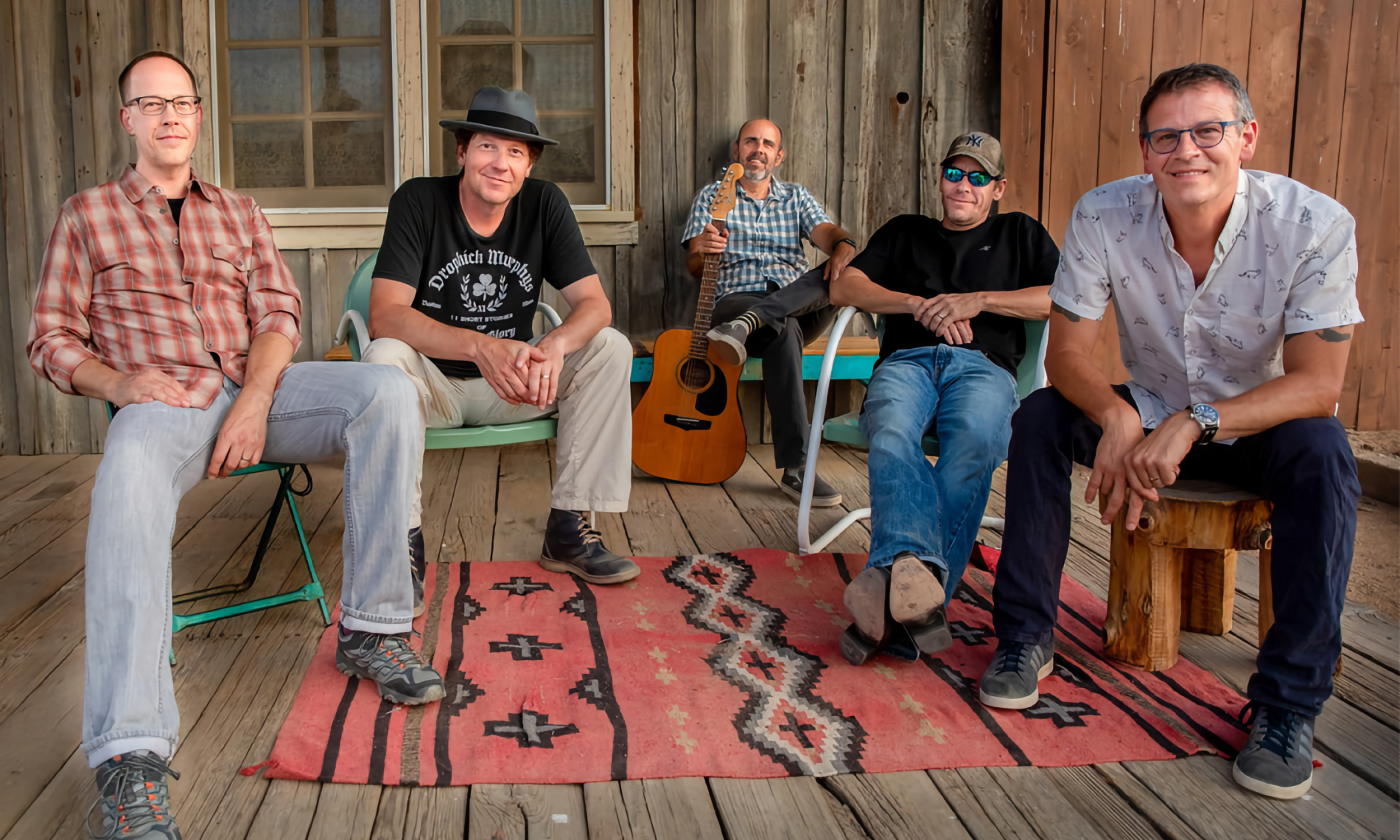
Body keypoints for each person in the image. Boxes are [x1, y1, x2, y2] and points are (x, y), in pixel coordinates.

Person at [26, 51, 444, 839]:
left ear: (198, 113)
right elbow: (50, 338)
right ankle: (130, 754)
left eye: (182, 101)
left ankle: (373, 631)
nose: (170, 115)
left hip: (263, 388)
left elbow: (280, 314)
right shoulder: (86, 216)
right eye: (151, 103)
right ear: (128, 119)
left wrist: (255, 400)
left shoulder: (239, 211)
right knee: (126, 472)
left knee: (387, 392)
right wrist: (117, 386)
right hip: (167, 398)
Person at [979, 64, 1362, 801]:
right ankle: (1026, 635)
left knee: (1326, 452)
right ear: (1145, 149)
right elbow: (1064, 357)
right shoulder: (1103, 214)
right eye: (1166, 135)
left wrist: (1199, 422)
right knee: (1039, 417)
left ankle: (1288, 704)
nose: (1187, 149)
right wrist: (1121, 416)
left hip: (1259, 423)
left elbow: (1318, 386)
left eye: (1208, 130)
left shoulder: (1313, 223)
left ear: (1245, 137)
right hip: (1151, 404)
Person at [362, 86, 638, 602]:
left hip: (513, 384)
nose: (501, 163)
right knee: (383, 359)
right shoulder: (419, 201)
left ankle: (569, 528)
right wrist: (478, 345)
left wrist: (553, 345)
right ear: (462, 151)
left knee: (609, 347)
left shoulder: (544, 205)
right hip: (431, 388)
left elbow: (595, 305)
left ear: (529, 165)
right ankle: (401, 547)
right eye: (489, 146)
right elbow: (384, 317)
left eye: (516, 152)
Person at [829, 132, 1056, 666]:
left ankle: (893, 591)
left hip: (983, 367)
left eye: (978, 177)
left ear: (997, 188)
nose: (963, 185)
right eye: (954, 173)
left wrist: (975, 301)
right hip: (907, 363)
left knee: (976, 440)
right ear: (940, 178)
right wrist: (918, 304)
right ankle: (919, 594)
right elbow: (844, 289)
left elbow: (1061, 296)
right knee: (889, 431)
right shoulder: (907, 231)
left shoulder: (1019, 234)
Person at [682, 119, 858, 506]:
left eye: (766, 143)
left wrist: (844, 244)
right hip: (734, 303)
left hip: (796, 301)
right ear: (737, 151)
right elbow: (695, 266)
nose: (757, 149)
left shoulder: (796, 197)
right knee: (783, 331)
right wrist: (703, 247)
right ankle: (796, 468)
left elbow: (826, 233)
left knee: (836, 274)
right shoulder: (714, 197)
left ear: (778, 156)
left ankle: (754, 321)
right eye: (750, 142)